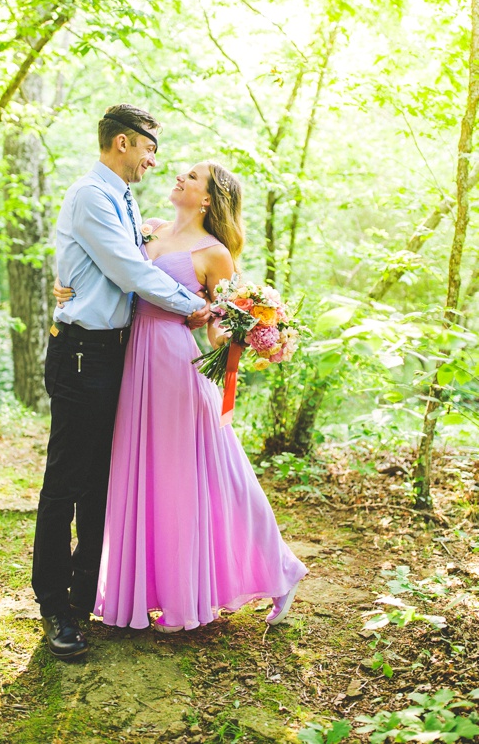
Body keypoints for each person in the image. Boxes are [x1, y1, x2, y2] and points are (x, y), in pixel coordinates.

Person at [60, 162, 306, 632]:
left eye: (192, 177)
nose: (179, 177)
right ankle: (152, 589)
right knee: (146, 475)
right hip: (131, 359)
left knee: (211, 475)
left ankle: (273, 572)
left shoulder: (214, 254)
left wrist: (252, 331)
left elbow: (215, 332)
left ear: (210, 198)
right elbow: (111, 270)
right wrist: (67, 288)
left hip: (175, 365)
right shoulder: (147, 229)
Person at [32, 105, 212, 661]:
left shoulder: (123, 198)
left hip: (115, 353)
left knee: (101, 483)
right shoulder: (91, 193)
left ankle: (86, 599)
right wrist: (193, 307)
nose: (154, 161)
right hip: (82, 353)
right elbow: (130, 272)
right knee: (68, 479)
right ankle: (55, 605)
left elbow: (132, 255)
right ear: (123, 144)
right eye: (148, 150)